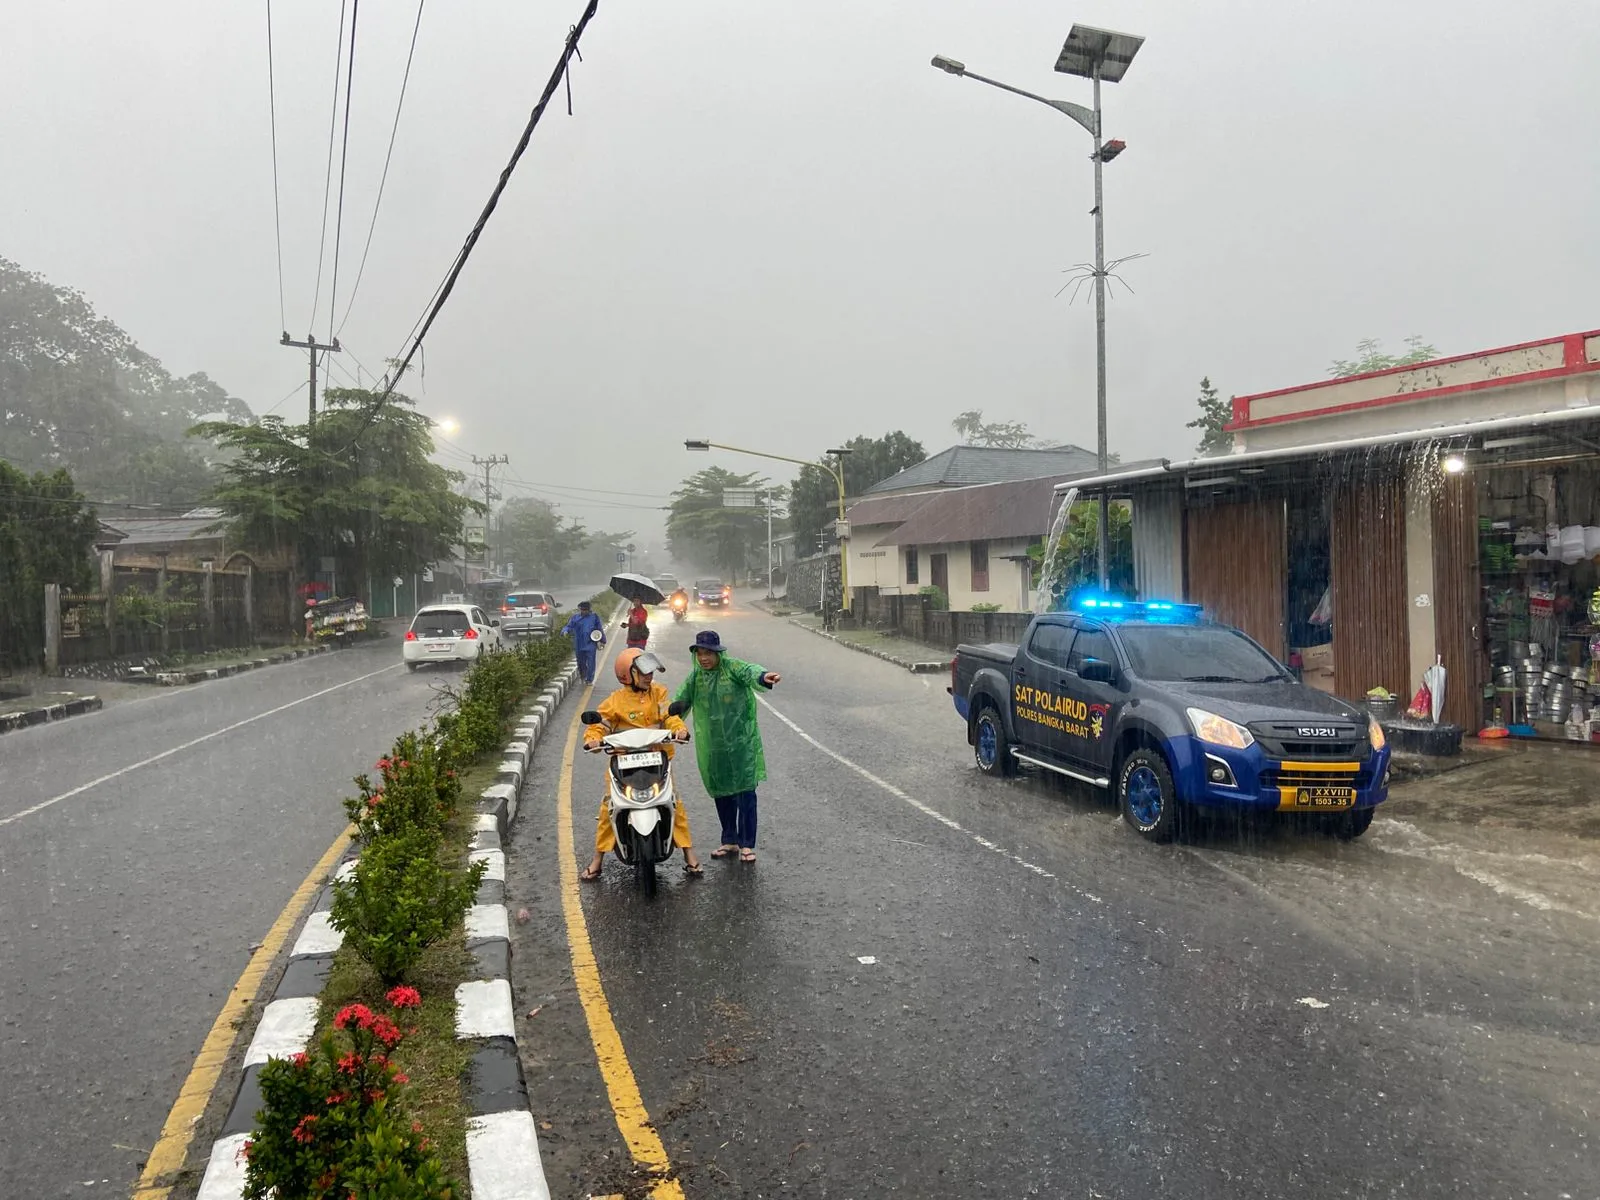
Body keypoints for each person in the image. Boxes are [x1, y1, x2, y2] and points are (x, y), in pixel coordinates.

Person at [581, 649, 702, 880]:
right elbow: (600, 724)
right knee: (609, 807)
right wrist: (593, 739)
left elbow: (670, 716)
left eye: (650, 672)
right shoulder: (615, 701)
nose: (649, 676)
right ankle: (597, 860)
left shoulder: (659, 693)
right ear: (628, 674)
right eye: (644, 672)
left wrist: (679, 730)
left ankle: (689, 854)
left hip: (656, 759)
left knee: (673, 803)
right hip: (623, 763)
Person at [672, 630, 780, 864]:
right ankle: (729, 840)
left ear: (718, 653)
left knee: (745, 793)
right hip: (714, 746)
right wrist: (664, 721)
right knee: (722, 792)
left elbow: (750, 671)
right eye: (700, 653)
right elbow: (680, 701)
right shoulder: (696, 677)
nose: (703, 658)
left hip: (741, 744)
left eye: (708, 653)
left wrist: (763, 676)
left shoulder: (732, 668)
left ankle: (747, 844)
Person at [561, 600, 605, 683]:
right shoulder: (575, 618)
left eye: (586, 610)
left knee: (591, 662)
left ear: (589, 609)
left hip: (590, 643)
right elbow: (569, 626)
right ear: (580, 609)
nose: (584, 611)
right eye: (582, 610)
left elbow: (599, 629)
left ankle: (589, 679)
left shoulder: (594, 617)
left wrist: (603, 641)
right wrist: (565, 631)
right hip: (579, 643)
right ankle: (583, 675)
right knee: (581, 662)